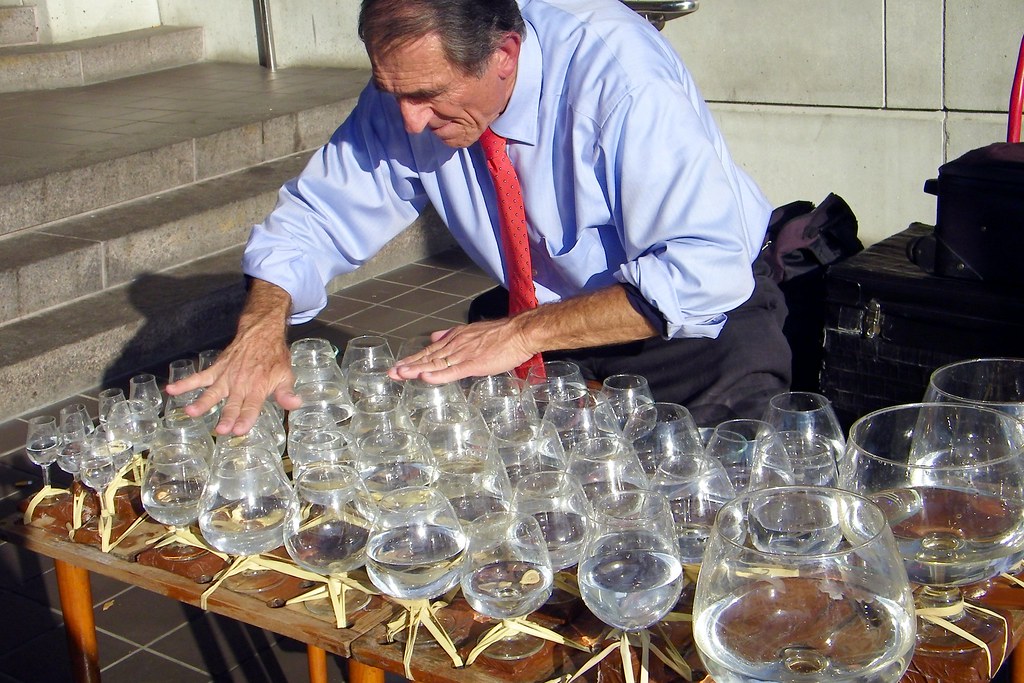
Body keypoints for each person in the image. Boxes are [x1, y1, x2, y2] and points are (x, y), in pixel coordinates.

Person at [167, 0, 791, 434]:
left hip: (693, 328)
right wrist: (261, 324)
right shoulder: (411, 89)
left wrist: (521, 333)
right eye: (394, 94)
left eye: (427, 97)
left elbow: (702, 270)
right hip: (553, 317)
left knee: (712, 526)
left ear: (505, 54)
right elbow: (315, 218)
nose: (409, 121)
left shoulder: (621, 79)